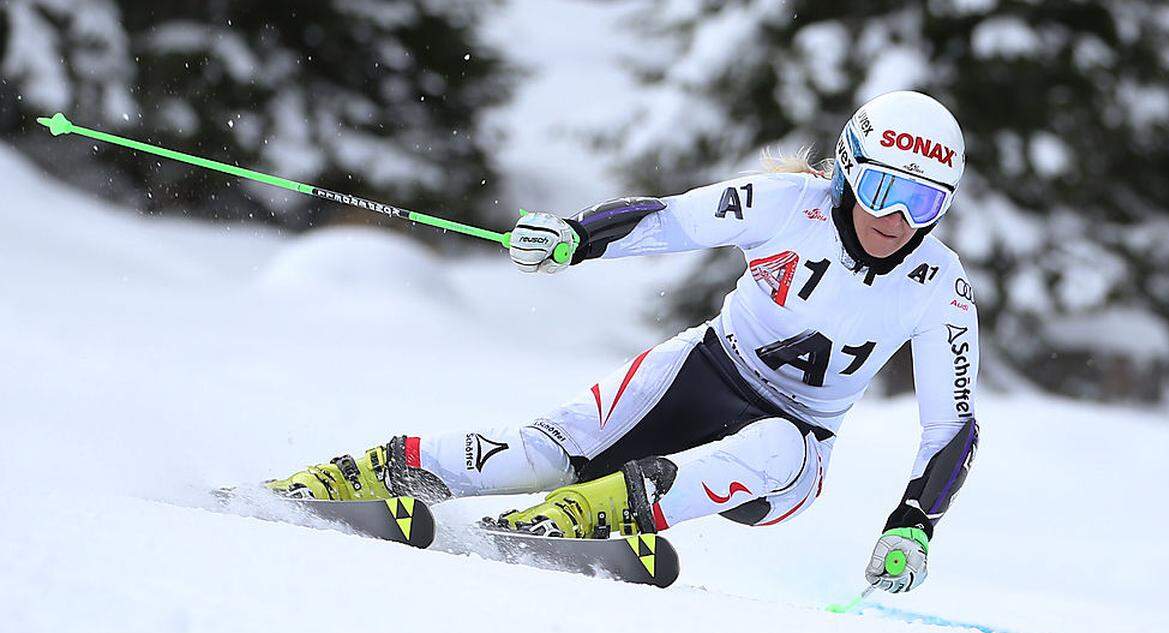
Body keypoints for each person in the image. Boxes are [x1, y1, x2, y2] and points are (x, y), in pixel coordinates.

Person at [266, 90, 980, 594]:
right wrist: (574, 238)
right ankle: (377, 472)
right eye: (883, 188)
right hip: (704, 369)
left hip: (796, 451)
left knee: (780, 445)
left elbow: (951, 424)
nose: (895, 218)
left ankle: (596, 511)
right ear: (849, 172)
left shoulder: (939, 287)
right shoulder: (790, 205)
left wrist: (912, 524)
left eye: (922, 203)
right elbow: (669, 221)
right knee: (547, 449)